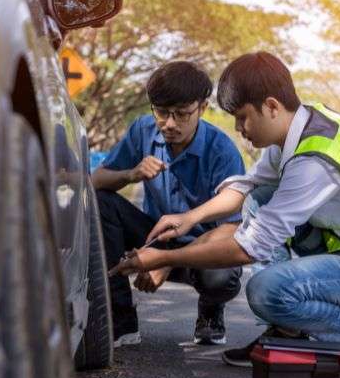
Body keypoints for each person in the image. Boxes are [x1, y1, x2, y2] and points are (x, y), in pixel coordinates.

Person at [110, 51, 340, 366]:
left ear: (272, 107)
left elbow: (248, 248)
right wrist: (188, 218)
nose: (238, 128)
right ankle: (286, 330)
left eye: (242, 117)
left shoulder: (313, 160)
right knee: (259, 196)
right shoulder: (302, 125)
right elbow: (246, 186)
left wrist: (164, 257)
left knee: (266, 291)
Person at [92, 61, 246, 347]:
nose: (170, 123)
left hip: (204, 249)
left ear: (201, 107)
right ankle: (121, 319)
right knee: (101, 203)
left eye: (181, 114)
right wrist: (130, 174)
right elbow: (96, 180)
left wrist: (166, 262)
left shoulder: (222, 150)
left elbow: (233, 229)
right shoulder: (143, 130)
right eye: (162, 112)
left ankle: (211, 310)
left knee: (220, 278)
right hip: (156, 238)